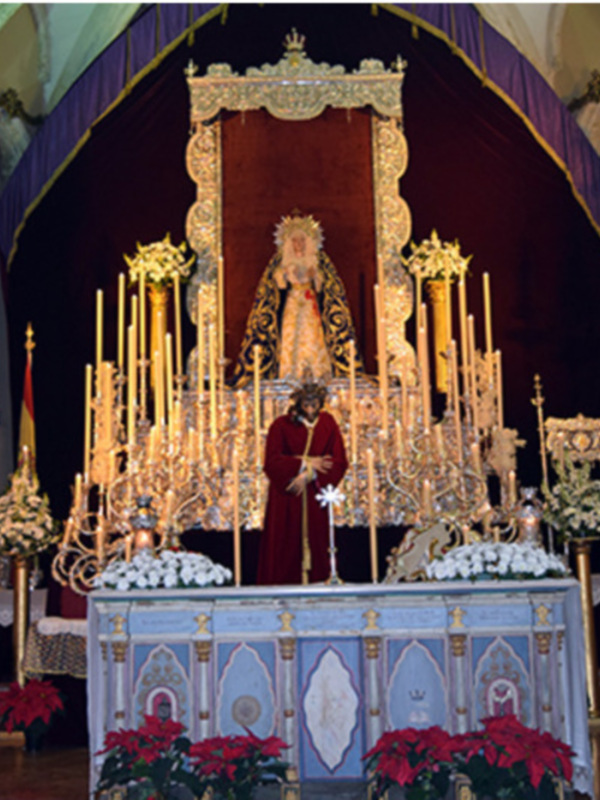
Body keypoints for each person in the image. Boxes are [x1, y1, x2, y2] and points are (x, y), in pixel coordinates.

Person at [229, 212, 363, 387]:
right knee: (291, 336)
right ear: (288, 242)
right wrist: (284, 274)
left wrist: (315, 276)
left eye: (302, 240)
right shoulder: (282, 261)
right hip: (292, 302)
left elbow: (325, 288)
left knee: (312, 335)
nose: (298, 244)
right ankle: (289, 375)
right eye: (294, 240)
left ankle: (318, 376)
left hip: (309, 303)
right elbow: (279, 286)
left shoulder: (316, 260)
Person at [256, 381, 348, 585]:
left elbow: (339, 460)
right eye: (305, 403)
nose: (310, 408)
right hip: (288, 496)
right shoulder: (281, 425)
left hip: (316, 496)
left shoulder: (328, 424)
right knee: (285, 544)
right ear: (298, 403)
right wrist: (304, 463)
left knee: (317, 543)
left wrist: (310, 474)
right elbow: (272, 462)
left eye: (314, 402)